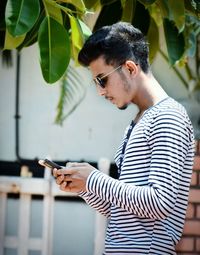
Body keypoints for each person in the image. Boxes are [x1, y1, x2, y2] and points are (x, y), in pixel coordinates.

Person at [53, 22, 194, 255]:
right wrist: (84, 187)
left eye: (102, 79)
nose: (100, 91)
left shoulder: (168, 116)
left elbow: (160, 203)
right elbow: (123, 211)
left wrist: (94, 180)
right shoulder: (139, 121)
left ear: (130, 68)